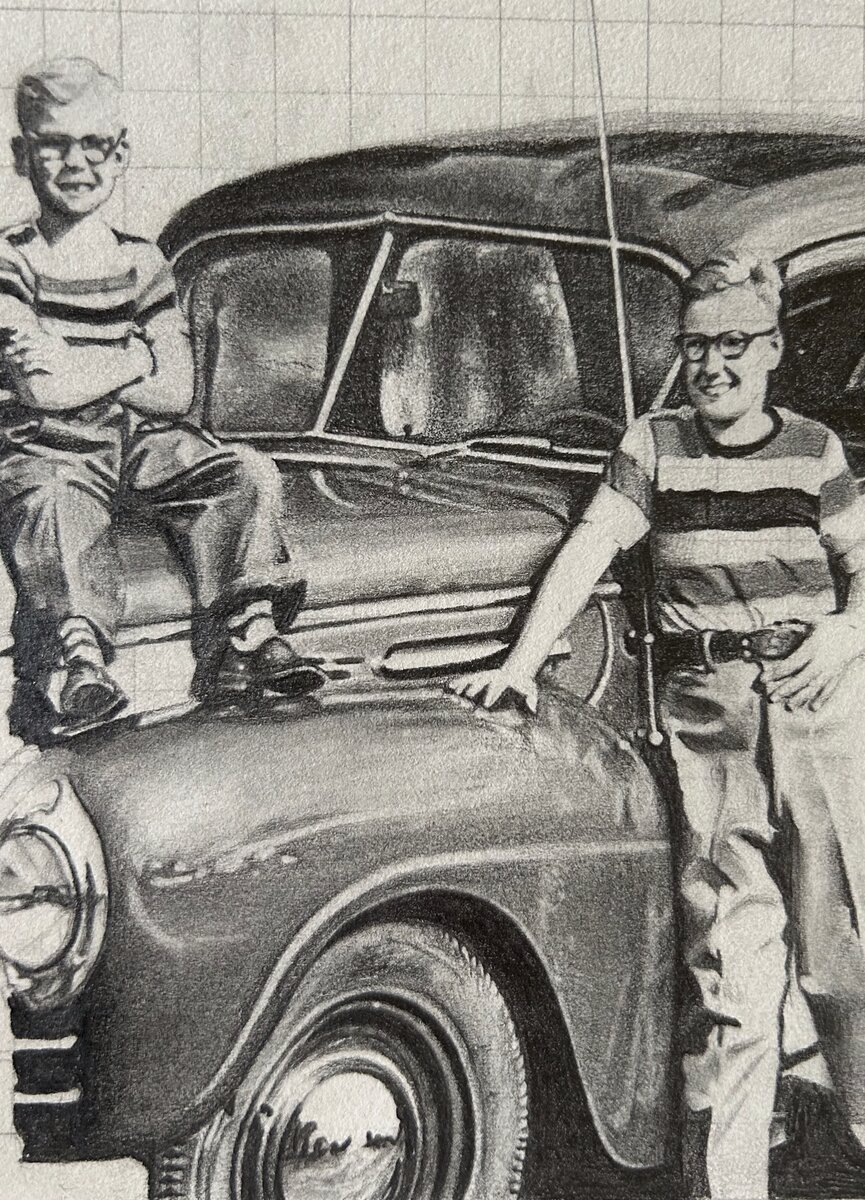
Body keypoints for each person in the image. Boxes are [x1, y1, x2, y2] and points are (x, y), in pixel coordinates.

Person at [450, 250, 865, 1199]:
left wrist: (847, 635)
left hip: (818, 709)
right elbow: (591, 543)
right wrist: (519, 663)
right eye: (695, 345)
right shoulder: (653, 445)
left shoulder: (814, 451)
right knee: (729, 971)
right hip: (709, 724)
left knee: (841, 960)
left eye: (733, 344)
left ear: (773, 349)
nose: (713, 365)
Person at [0, 57, 325, 735]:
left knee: (242, 472)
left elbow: (176, 391)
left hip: (140, 437)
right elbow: (43, 389)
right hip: (47, 446)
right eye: (54, 145)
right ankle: (78, 660)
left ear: (119, 154)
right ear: (22, 155)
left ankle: (246, 632)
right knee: (52, 503)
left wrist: (85, 361)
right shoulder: (11, 261)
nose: (76, 163)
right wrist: (135, 358)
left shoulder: (143, 261)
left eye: (94, 144)